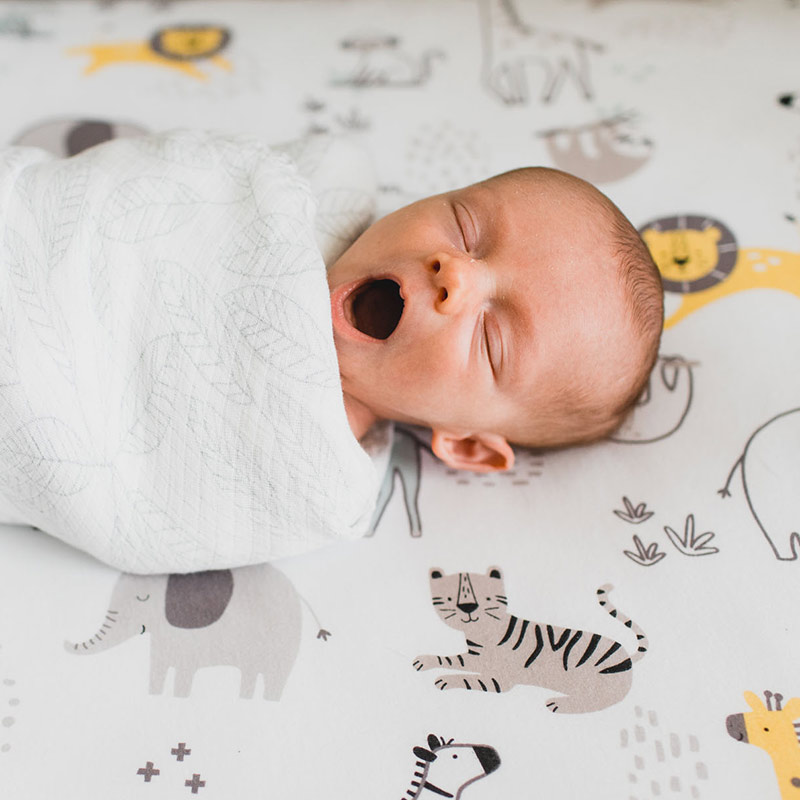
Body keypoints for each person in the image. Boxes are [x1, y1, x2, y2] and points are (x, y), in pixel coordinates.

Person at [328, 166, 663, 473]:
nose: (457, 275)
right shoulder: (331, 187)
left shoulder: (317, 449)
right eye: (464, 228)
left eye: (490, 338)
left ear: (468, 444)